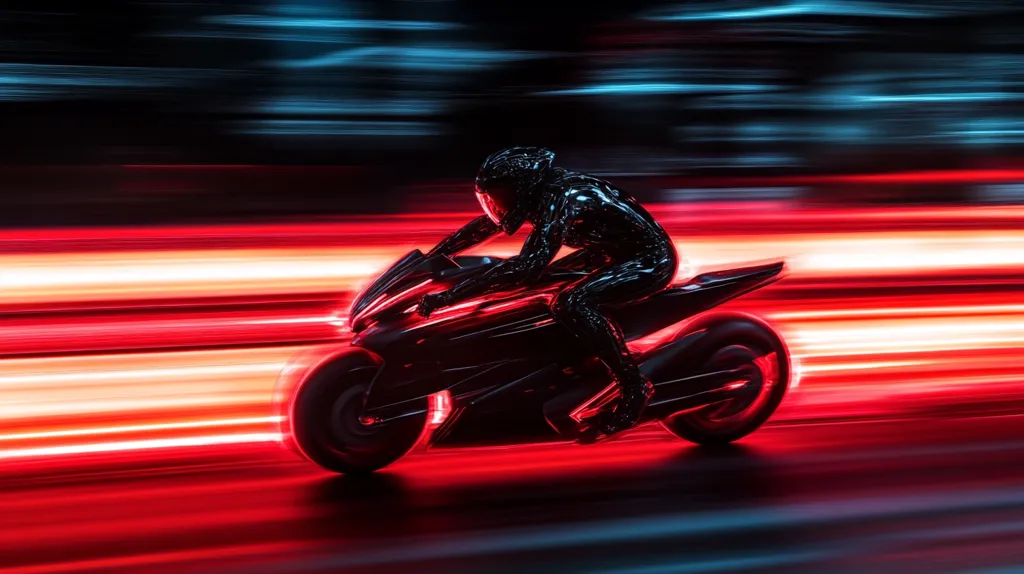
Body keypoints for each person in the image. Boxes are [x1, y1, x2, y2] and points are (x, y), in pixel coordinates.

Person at [417, 147, 678, 439]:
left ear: (523, 186)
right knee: (536, 293)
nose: (497, 204)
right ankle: (577, 362)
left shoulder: (561, 198)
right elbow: (483, 227)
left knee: (570, 303)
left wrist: (451, 296)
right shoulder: (538, 195)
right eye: (492, 198)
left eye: (501, 195)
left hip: (648, 260)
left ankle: (633, 387)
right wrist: (432, 259)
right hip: (606, 254)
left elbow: (528, 265)